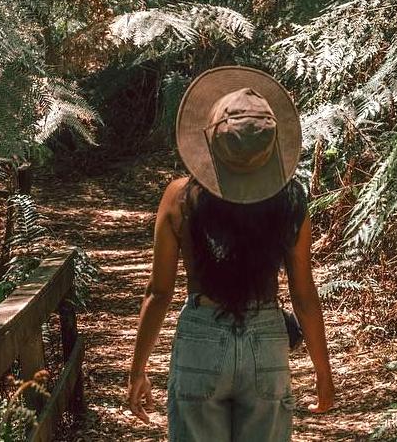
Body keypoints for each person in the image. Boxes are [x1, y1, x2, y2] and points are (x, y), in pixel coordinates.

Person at [127, 66, 335, 439]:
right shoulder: (290, 199)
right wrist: (323, 372)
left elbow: (158, 293)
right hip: (268, 341)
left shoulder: (180, 197)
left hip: (201, 338)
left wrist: (137, 370)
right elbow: (304, 295)